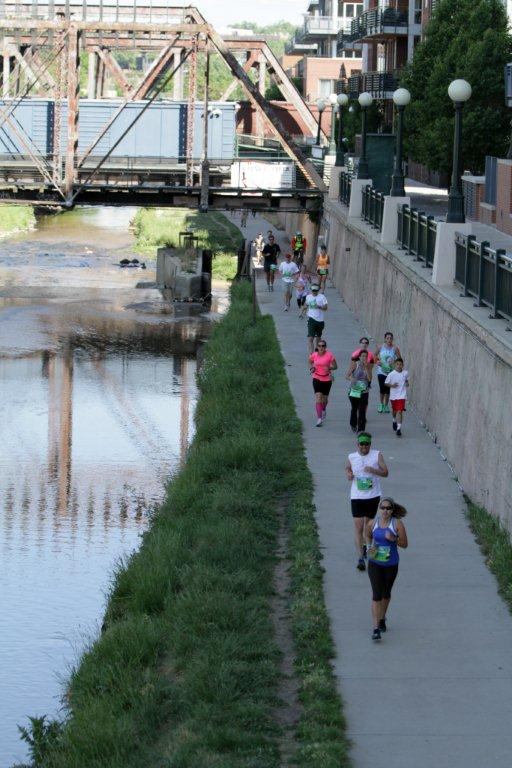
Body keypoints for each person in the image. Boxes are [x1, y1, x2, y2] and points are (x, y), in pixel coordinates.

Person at [366, 497, 408, 641]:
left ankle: (382, 617)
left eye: (388, 508)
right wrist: (370, 548)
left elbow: (405, 544)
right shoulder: (372, 523)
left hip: (391, 564)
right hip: (375, 563)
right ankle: (376, 627)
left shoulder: (397, 525)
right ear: (379, 509)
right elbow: (367, 536)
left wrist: (393, 539)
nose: (385, 510)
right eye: (382, 508)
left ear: (392, 510)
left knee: (386, 593)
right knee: (376, 594)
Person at [345, 432, 388, 572]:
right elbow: (347, 468)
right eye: (361, 444)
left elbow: (386, 472)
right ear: (357, 445)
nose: (364, 446)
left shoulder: (377, 455)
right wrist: (349, 475)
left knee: (368, 528)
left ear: (370, 444)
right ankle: (360, 558)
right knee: (358, 528)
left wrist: (374, 470)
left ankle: (368, 550)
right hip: (357, 497)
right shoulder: (352, 456)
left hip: (372, 496)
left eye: (366, 443)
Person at [309, 339, 337, 427]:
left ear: (325, 347)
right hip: (316, 378)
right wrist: (312, 368)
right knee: (318, 398)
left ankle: (324, 409)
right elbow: (310, 362)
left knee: (324, 400)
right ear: (317, 347)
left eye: (323, 346)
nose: (321, 347)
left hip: (327, 380)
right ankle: (319, 419)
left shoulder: (330, 355)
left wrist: (329, 368)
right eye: (319, 346)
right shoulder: (314, 355)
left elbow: (336, 366)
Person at [346, 348, 372, 433]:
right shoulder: (355, 365)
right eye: (362, 356)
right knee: (354, 408)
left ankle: (361, 430)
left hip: (364, 391)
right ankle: (353, 424)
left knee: (362, 410)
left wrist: (367, 369)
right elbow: (347, 375)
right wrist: (351, 379)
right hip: (354, 390)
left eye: (366, 356)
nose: (364, 358)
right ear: (359, 357)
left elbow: (369, 378)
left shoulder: (368, 366)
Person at [374, 332, 401, 413]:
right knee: (382, 389)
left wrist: (395, 363)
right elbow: (374, 356)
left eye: (391, 338)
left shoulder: (395, 349)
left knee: (388, 390)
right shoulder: (380, 347)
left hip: (391, 372)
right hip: (381, 372)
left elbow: (399, 359)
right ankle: (381, 404)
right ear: (385, 339)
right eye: (387, 338)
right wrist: (377, 361)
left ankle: (386, 405)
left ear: (392, 339)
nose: (389, 340)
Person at [385, 357, 409, 437]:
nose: (399, 366)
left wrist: (407, 383)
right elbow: (386, 383)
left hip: (402, 395)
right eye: (397, 364)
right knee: (395, 411)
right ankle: (394, 420)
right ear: (395, 365)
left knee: (400, 411)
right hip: (393, 396)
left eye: (400, 364)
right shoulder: (391, 374)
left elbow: (407, 381)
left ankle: (399, 428)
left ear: (403, 365)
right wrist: (392, 385)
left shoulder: (405, 373)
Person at [301, 283, 328, 355]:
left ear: (318, 290)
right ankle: (311, 354)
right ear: (311, 290)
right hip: (311, 319)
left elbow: (325, 308)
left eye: (316, 290)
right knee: (310, 338)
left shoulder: (322, 297)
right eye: (313, 290)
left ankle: (317, 351)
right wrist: (302, 312)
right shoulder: (308, 297)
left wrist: (319, 306)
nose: (314, 292)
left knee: (318, 338)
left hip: (320, 320)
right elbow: (305, 305)